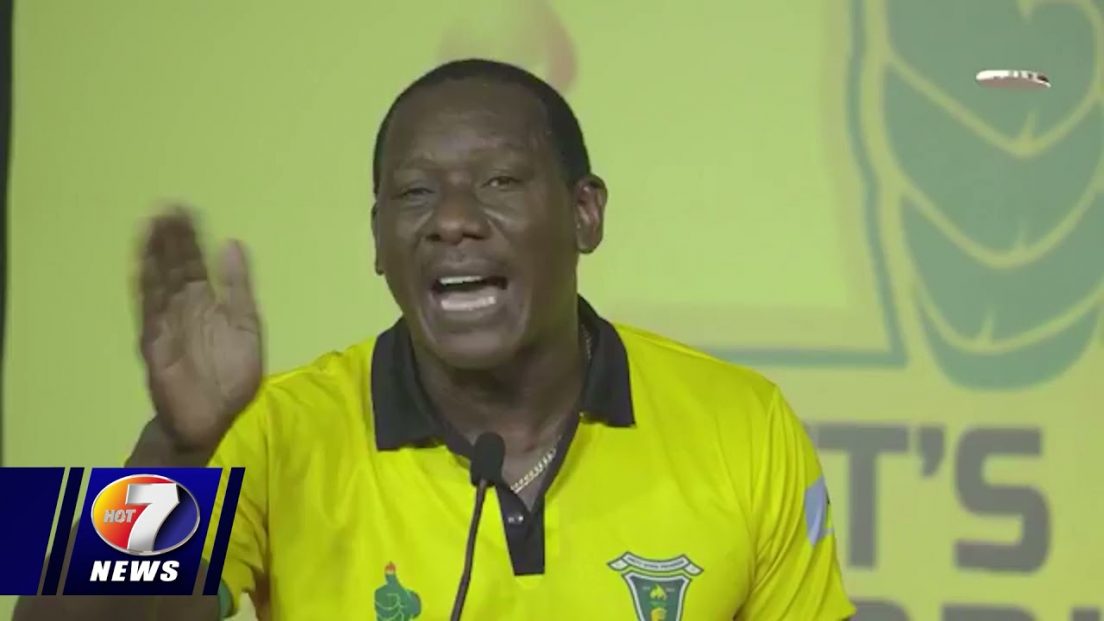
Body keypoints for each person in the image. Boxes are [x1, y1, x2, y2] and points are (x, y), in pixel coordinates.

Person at [15, 59, 854, 620]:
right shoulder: (271, 425)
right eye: (415, 193)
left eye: (499, 180)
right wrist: (174, 449)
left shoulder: (744, 422)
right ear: (378, 240)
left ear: (585, 213)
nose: (452, 219)